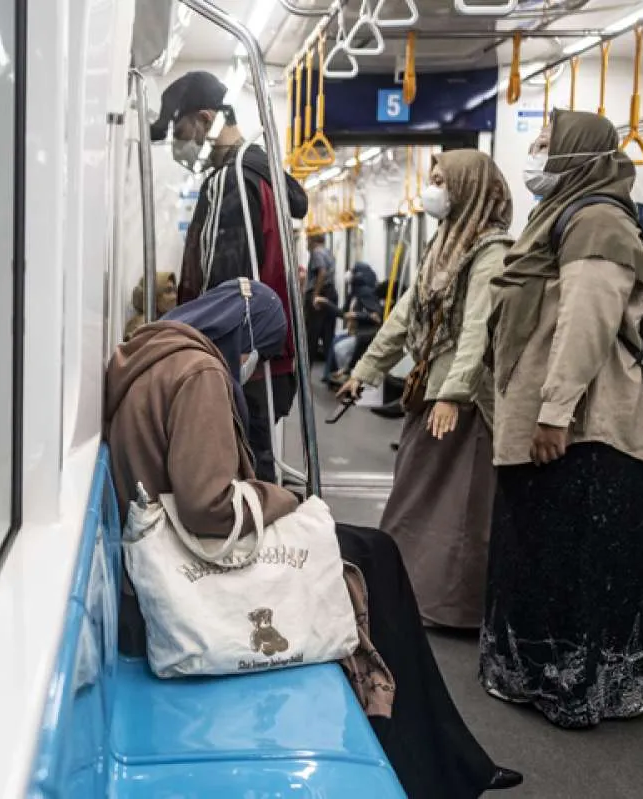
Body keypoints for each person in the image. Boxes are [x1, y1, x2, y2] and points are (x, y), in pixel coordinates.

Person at [105, 279, 520, 797]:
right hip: (198, 555)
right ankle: (430, 763)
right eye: (260, 351)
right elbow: (208, 506)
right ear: (244, 337)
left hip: (165, 547)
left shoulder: (150, 352)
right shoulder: (201, 372)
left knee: (372, 554)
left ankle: (441, 757)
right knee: (377, 560)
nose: (253, 366)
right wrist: (287, 500)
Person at [481, 109, 643, 729]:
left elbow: (585, 324)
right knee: (544, 559)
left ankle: (582, 692)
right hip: (560, 423)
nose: (534, 153)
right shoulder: (562, 217)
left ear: (577, 154)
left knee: (578, 568)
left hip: (589, 432)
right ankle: (538, 679)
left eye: (543, 143)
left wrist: (554, 414)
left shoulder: (596, 222)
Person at [338, 150, 513, 630]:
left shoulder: (491, 253)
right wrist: (366, 370)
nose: (433, 189)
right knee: (414, 497)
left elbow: (479, 327)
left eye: (442, 181)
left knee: (460, 509)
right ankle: (404, 591)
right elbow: (405, 315)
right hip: (430, 393)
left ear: (469, 188)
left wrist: (453, 395)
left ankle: (454, 606)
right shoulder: (446, 246)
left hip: (464, 404)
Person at [151, 70, 309, 483]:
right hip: (269, 361)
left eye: (181, 131)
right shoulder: (263, 172)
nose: (178, 146)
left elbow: (224, 289)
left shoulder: (230, 178)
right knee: (256, 470)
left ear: (205, 120)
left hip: (240, 362)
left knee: (235, 478)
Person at [325, 261, 381, 384]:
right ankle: (332, 375)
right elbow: (344, 314)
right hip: (355, 330)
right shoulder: (354, 293)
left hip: (364, 332)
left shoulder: (366, 293)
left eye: (353, 271)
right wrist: (326, 303)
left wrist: (357, 315)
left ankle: (346, 374)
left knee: (340, 347)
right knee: (336, 339)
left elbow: (377, 317)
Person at [305, 233, 340, 361]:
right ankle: (330, 371)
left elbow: (322, 272)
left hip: (320, 294)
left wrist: (315, 295)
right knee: (328, 335)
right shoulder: (329, 253)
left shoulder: (316, 252)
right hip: (330, 294)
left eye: (307, 240)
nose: (306, 244)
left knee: (312, 336)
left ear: (312, 240)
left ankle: (306, 371)